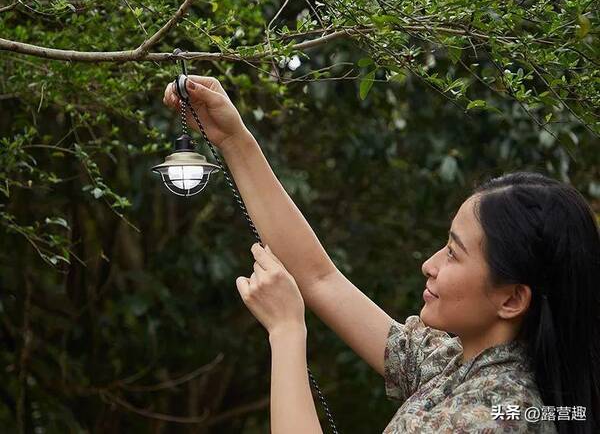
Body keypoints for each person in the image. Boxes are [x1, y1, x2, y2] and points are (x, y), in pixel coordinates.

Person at [162, 76, 599, 434]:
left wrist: (286, 331)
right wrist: (234, 139)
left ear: (511, 299)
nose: (429, 264)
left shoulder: (487, 418)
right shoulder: (457, 363)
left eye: (453, 253)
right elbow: (320, 278)